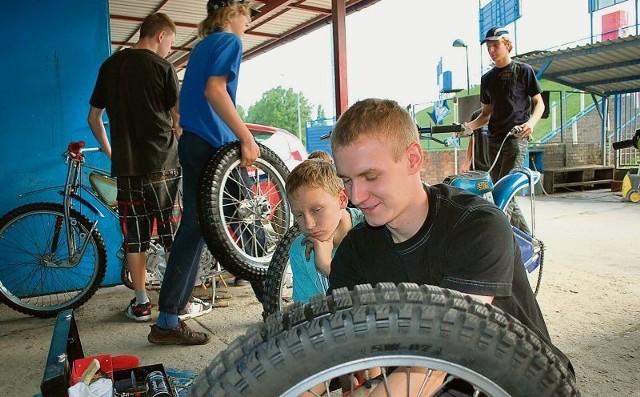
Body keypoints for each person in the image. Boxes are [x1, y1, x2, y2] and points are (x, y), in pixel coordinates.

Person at [328, 98, 573, 395]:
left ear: (413, 159)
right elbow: (328, 347)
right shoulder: (355, 251)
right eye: (347, 181)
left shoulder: (477, 225)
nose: (357, 197)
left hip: (522, 383)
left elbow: (439, 355)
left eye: (370, 176)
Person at [147, 0, 259, 345]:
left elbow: (185, 99)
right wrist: (245, 136)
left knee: (193, 230)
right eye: (247, 13)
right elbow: (215, 90)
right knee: (249, 218)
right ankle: (275, 305)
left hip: (193, 143)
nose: (249, 20)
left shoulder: (201, 47)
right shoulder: (229, 41)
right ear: (233, 12)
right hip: (216, 146)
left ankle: (167, 321)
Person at [88, 13, 209, 322]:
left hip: (127, 168)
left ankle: (141, 303)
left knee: (135, 238)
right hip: (163, 164)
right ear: (159, 36)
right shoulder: (162, 67)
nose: (169, 49)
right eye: (169, 42)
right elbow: (180, 120)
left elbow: (94, 118)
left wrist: (112, 152)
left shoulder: (109, 66)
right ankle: (179, 302)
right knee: (173, 236)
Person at [464, 26, 545, 234]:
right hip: (494, 141)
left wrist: (531, 124)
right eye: (489, 47)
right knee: (497, 191)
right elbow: (485, 115)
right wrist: (468, 127)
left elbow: (540, 104)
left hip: (516, 138)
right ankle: (527, 239)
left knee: (505, 192)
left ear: (507, 45)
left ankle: (505, 240)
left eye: (496, 45)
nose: (491, 50)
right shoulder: (487, 79)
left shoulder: (524, 71)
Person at [285, 152, 364, 304]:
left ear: (342, 199)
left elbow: (380, 302)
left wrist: (328, 267)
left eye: (316, 210)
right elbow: (306, 314)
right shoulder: (300, 250)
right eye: (299, 215)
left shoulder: (374, 232)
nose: (308, 225)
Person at [460, 108, 490, 173]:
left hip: (497, 163)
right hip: (479, 164)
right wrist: (467, 162)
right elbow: (472, 140)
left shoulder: (502, 114)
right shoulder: (476, 115)